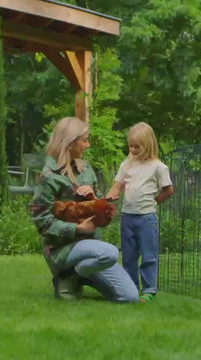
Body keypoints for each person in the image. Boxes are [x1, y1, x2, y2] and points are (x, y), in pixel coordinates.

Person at [29, 117, 140, 303]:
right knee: (110, 253)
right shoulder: (49, 176)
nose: (88, 145)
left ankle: (80, 274)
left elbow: (102, 211)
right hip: (63, 248)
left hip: (91, 247)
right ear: (70, 142)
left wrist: (94, 199)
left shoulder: (86, 169)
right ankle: (67, 275)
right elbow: (41, 221)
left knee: (130, 297)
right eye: (85, 140)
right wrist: (77, 229)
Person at [105, 122, 174, 303]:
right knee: (128, 256)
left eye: (137, 146)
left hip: (147, 218)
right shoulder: (126, 165)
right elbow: (116, 186)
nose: (133, 149)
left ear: (148, 144)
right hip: (128, 217)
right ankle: (131, 288)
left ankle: (149, 289)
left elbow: (168, 190)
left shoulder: (158, 167)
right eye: (131, 146)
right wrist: (110, 196)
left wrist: (154, 202)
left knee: (149, 255)